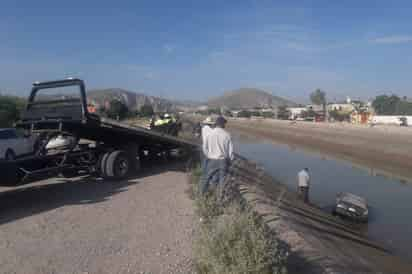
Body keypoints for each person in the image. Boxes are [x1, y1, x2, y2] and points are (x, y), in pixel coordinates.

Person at [200, 116, 234, 195]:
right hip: (223, 161)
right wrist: (230, 160)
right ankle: (220, 198)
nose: (225, 125)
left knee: (206, 178)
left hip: (212, 160)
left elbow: (205, 147)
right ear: (223, 124)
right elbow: (230, 152)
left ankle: (201, 194)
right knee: (222, 180)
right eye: (225, 124)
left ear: (216, 124)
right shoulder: (227, 135)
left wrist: (209, 155)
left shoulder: (210, 134)